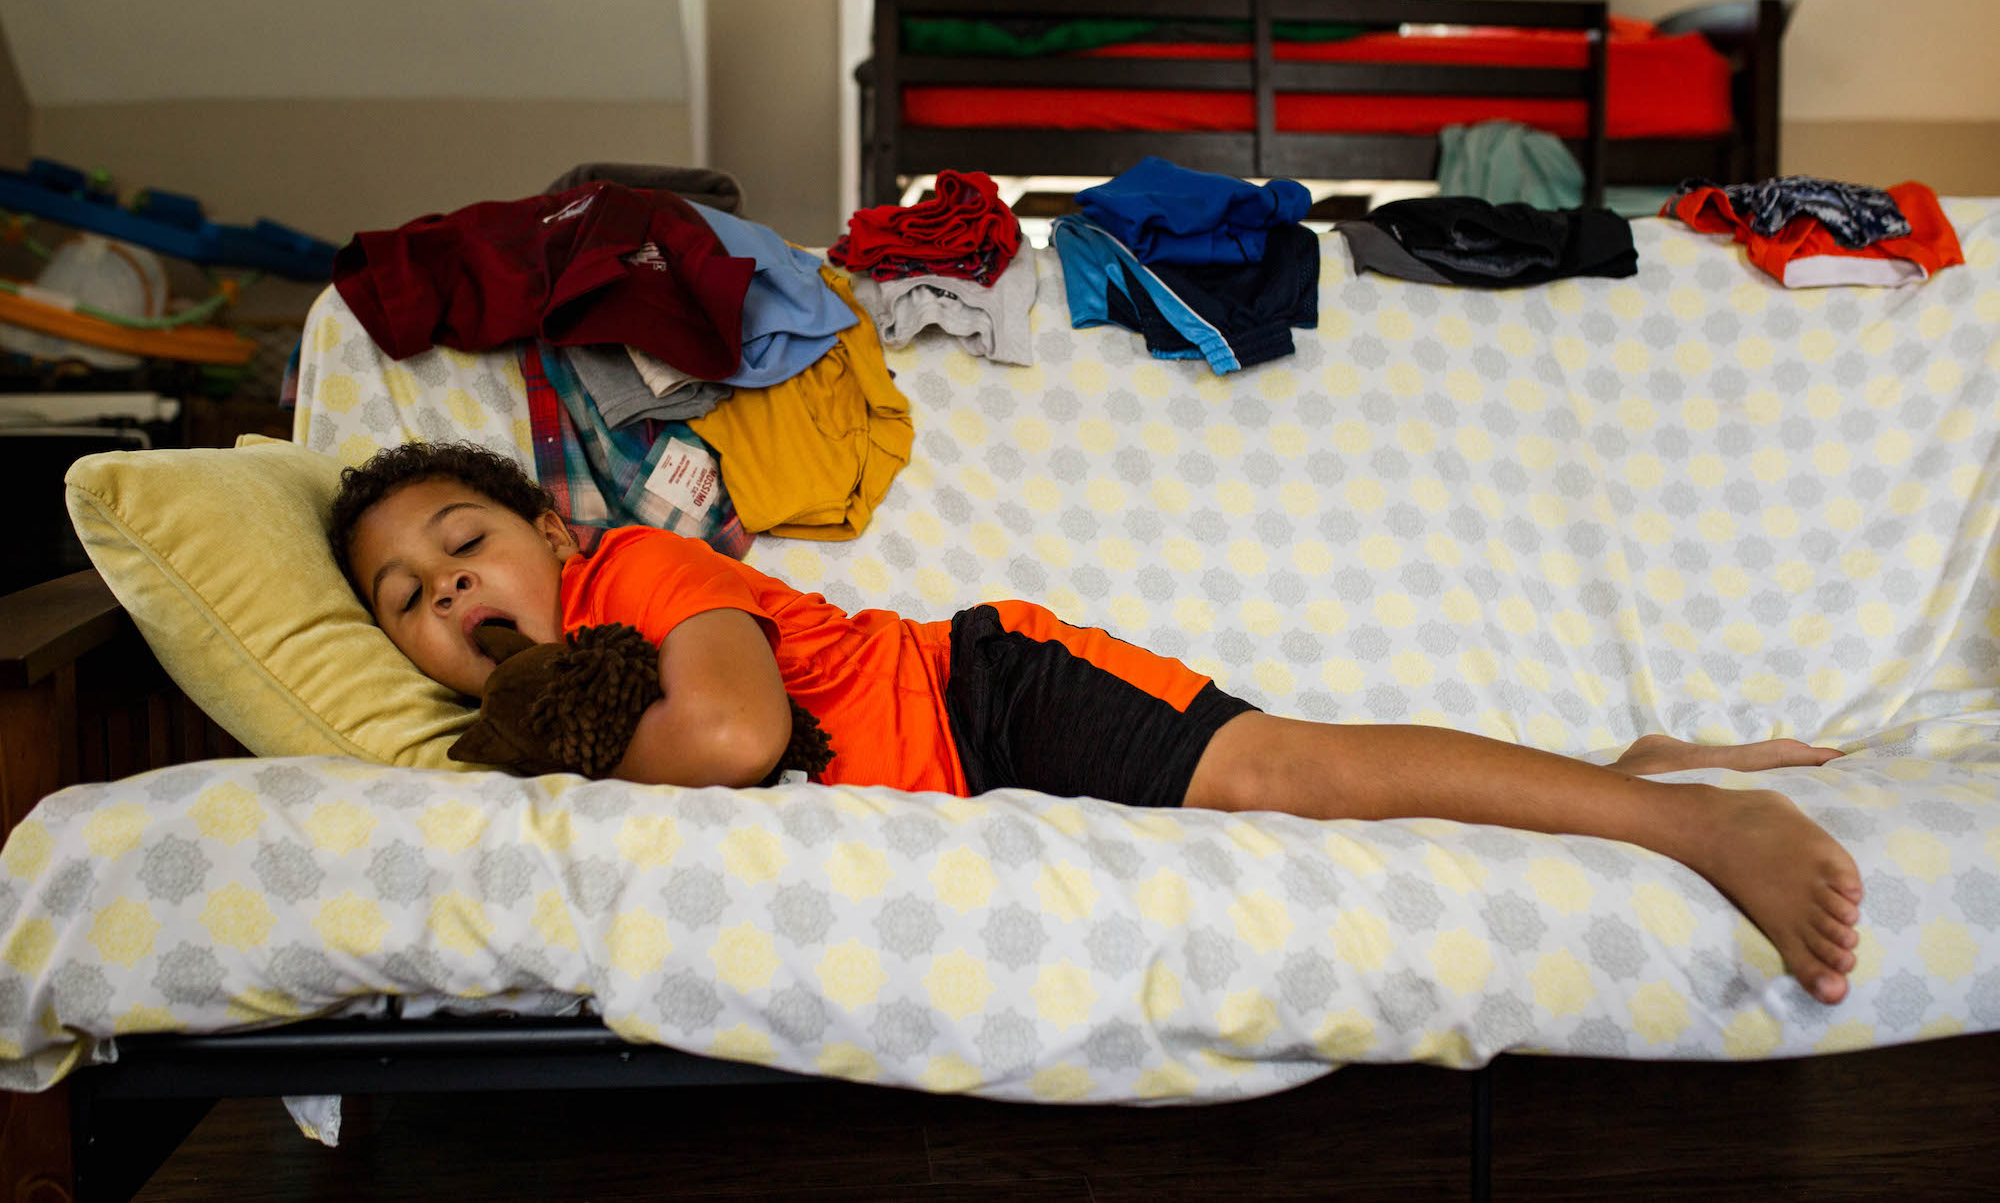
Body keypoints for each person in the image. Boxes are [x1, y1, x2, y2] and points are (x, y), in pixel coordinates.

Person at [331, 442, 1864, 1006]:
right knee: (1298, 777)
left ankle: (1690, 816)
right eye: (405, 598)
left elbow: (734, 740)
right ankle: (1619, 775)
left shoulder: (639, 571)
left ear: (544, 522)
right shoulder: (518, 721)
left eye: (464, 540)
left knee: (1283, 772)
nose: (446, 587)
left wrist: (556, 725)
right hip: (953, 767)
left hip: (988, 697)